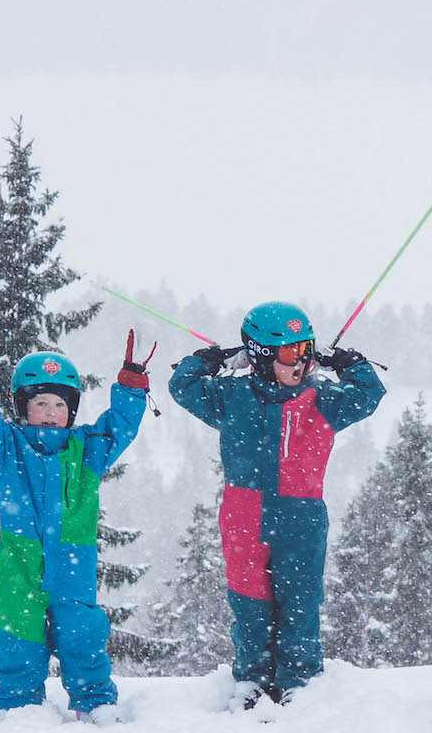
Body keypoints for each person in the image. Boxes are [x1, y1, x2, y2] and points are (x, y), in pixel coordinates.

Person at [166, 302, 388, 707]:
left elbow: (369, 395)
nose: (302, 362)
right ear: (262, 357)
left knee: (299, 607)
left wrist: (349, 363)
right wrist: (211, 359)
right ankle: (251, 683)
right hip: (243, 516)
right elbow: (183, 386)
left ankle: (298, 687)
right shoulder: (231, 396)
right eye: (289, 353)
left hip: (301, 521)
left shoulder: (323, 400)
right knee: (250, 605)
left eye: (308, 349)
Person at [0, 314, 152, 719]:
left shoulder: (87, 450)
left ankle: (95, 705)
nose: (49, 412)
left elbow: (120, 427)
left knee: (82, 635)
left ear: (71, 410)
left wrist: (132, 381)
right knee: (17, 634)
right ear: (22, 407)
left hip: (72, 564)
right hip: (18, 562)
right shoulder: (8, 447)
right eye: (40, 403)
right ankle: (17, 708)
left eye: (60, 404)